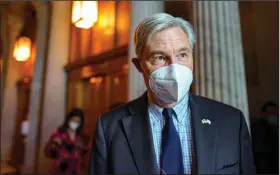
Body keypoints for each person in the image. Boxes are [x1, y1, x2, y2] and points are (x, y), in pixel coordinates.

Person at [90, 13, 256, 174]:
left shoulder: (231, 121)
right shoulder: (110, 128)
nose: (174, 68)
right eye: (159, 57)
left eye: (182, 55)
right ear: (139, 66)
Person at [44, 108, 90, 174]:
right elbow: (48, 152)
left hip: (76, 170)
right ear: (68, 120)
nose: (75, 124)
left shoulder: (83, 137)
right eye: (73, 121)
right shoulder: (58, 133)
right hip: (59, 170)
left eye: (78, 122)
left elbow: (87, 154)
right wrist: (54, 144)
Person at [251, 101, 279, 174]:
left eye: (276, 113)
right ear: (263, 114)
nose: (274, 115)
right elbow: (261, 154)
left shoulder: (273, 127)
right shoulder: (258, 128)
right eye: (271, 113)